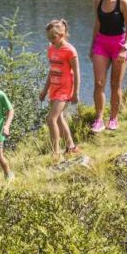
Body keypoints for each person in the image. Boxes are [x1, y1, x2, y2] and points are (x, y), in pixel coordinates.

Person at [88, 0, 127, 132]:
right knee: (99, 83)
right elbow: (97, 25)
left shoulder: (123, 2)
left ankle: (113, 119)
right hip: (101, 43)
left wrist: (125, 48)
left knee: (115, 84)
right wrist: (92, 46)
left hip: (119, 45)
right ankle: (99, 119)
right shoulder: (97, 2)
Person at [39, 19, 81, 161]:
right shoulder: (51, 48)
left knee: (51, 119)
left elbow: (76, 72)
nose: (51, 41)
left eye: (53, 38)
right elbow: (52, 71)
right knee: (60, 119)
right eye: (49, 38)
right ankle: (71, 146)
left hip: (65, 89)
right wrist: (45, 90)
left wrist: (75, 93)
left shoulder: (70, 50)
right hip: (54, 88)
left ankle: (55, 152)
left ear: (62, 34)